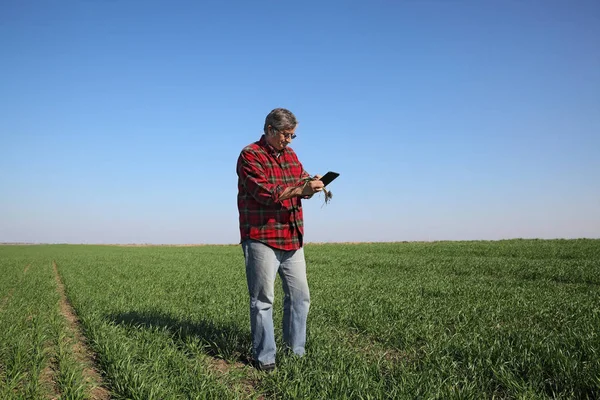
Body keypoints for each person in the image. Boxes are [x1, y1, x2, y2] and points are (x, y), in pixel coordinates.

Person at [236, 108, 324, 371]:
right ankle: (265, 359)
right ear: (270, 130)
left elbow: (301, 179)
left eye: (292, 136)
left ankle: (296, 354)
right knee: (263, 300)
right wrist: (302, 188)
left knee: (300, 298)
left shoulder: (290, 155)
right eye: (286, 135)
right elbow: (267, 193)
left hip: (292, 236)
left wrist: (313, 182)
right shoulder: (250, 155)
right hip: (262, 237)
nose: (289, 140)